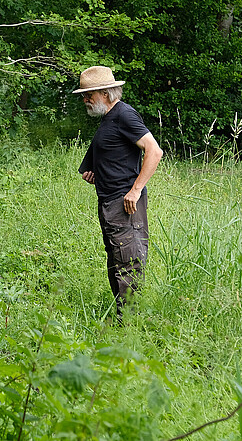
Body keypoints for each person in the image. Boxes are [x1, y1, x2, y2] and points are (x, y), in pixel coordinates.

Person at [74, 66, 163, 319]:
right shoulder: (109, 118)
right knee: (116, 260)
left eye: (88, 94)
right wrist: (95, 173)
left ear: (104, 93)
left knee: (129, 262)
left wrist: (135, 190)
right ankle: (121, 319)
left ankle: (129, 325)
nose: (85, 100)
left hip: (125, 206)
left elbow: (154, 151)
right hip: (109, 202)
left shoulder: (125, 115)